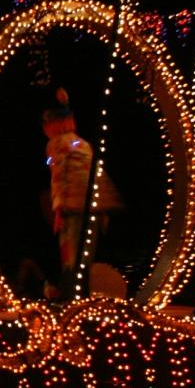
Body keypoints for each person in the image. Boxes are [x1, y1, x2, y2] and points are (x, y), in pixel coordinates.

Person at [42, 89, 121, 291]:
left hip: (73, 205)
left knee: (71, 253)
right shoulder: (82, 143)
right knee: (86, 252)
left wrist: (58, 209)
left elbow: (59, 176)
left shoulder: (56, 144)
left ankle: (70, 292)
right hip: (94, 204)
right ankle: (80, 290)